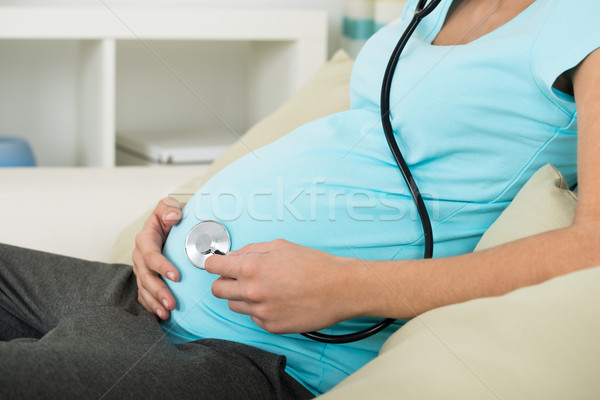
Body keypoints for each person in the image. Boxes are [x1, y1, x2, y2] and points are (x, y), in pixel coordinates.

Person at [1, 0, 599, 398]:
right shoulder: (435, 7)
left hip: (247, 354)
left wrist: (354, 288)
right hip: (150, 293)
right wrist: (188, 212)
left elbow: (592, 244)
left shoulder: (583, 20)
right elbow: (363, 147)